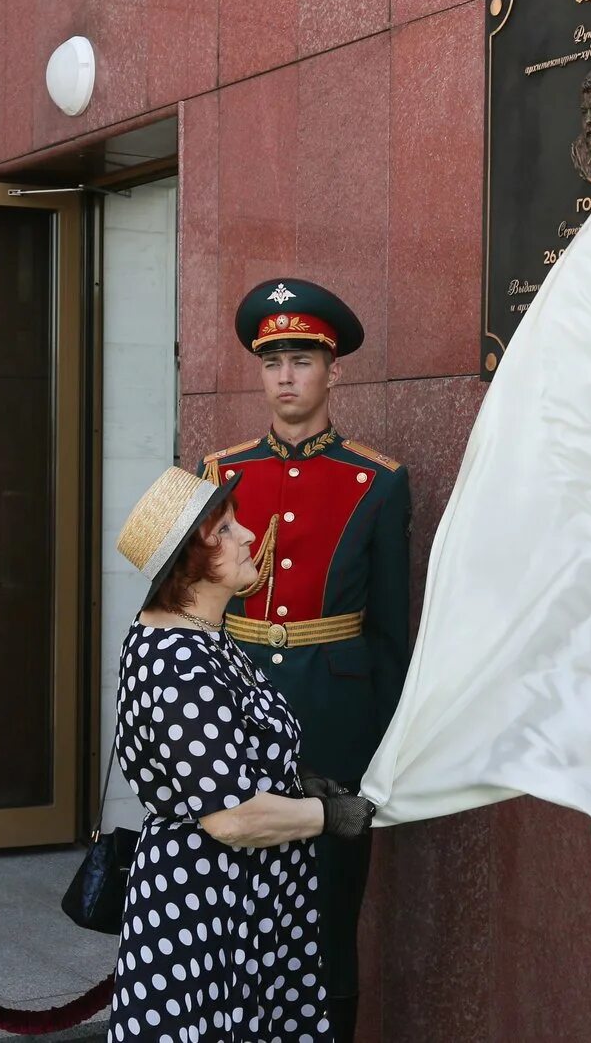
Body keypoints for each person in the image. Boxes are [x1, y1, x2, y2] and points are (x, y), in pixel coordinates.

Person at [201, 276, 411, 1039]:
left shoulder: (379, 482)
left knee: (327, 912)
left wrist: (385, 750)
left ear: (334, 371)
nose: (285, 376)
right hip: (233, 709)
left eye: (302, 359)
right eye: (272, 361)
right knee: (231, 901)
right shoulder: (218, 474)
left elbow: (392, 632)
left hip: (335, 719)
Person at [109, 464, 378, 1042]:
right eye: (225, 531)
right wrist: (329, 816)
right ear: (189, 564)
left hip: (250, 903)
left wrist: (296, 780)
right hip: (207, 914)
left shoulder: (204, 635)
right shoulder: (177, 663)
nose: (249, 535)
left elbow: (237, 752)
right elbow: (231, 818)